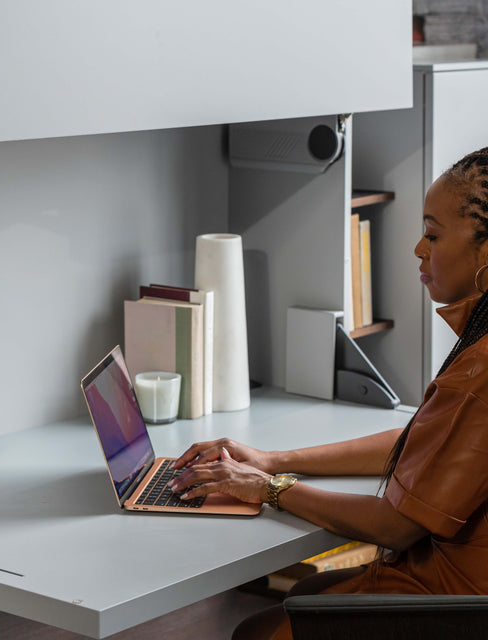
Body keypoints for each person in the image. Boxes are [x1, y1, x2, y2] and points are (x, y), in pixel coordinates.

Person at [168, 147, 488, 639]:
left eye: (433, 233)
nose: (419, 250)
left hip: (457, 606)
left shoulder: (479, 371)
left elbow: (395, 527)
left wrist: (269, 490)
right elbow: (421, 442)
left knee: (255, 633)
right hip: (462, 589)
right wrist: (273, 460)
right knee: (304, 596)